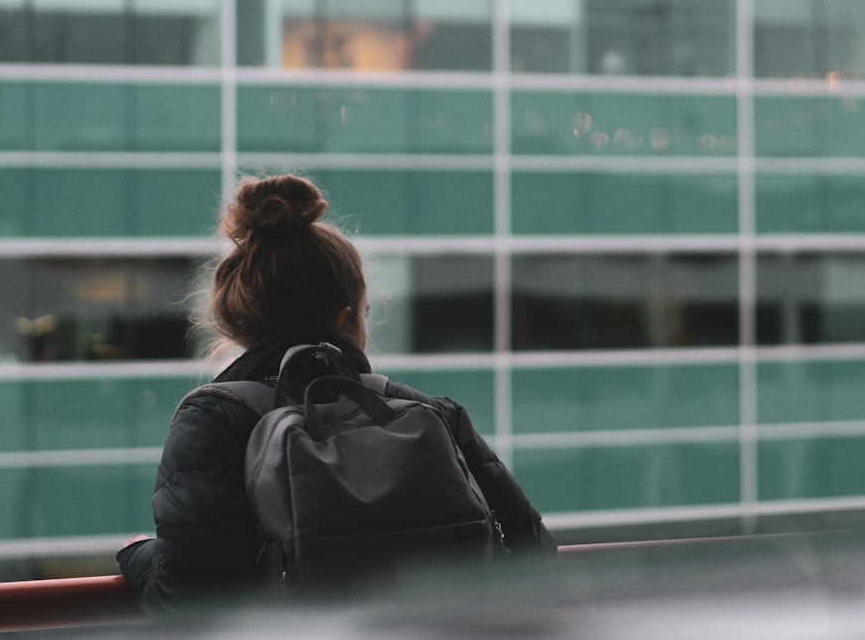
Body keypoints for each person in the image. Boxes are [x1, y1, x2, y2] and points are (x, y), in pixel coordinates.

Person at [118, 175, 556, 615]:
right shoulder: (431, 413)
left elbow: (187, 601)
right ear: (346, 319)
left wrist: (136, 554)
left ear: (240, 322)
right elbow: (533, 552)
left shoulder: (215, 421)